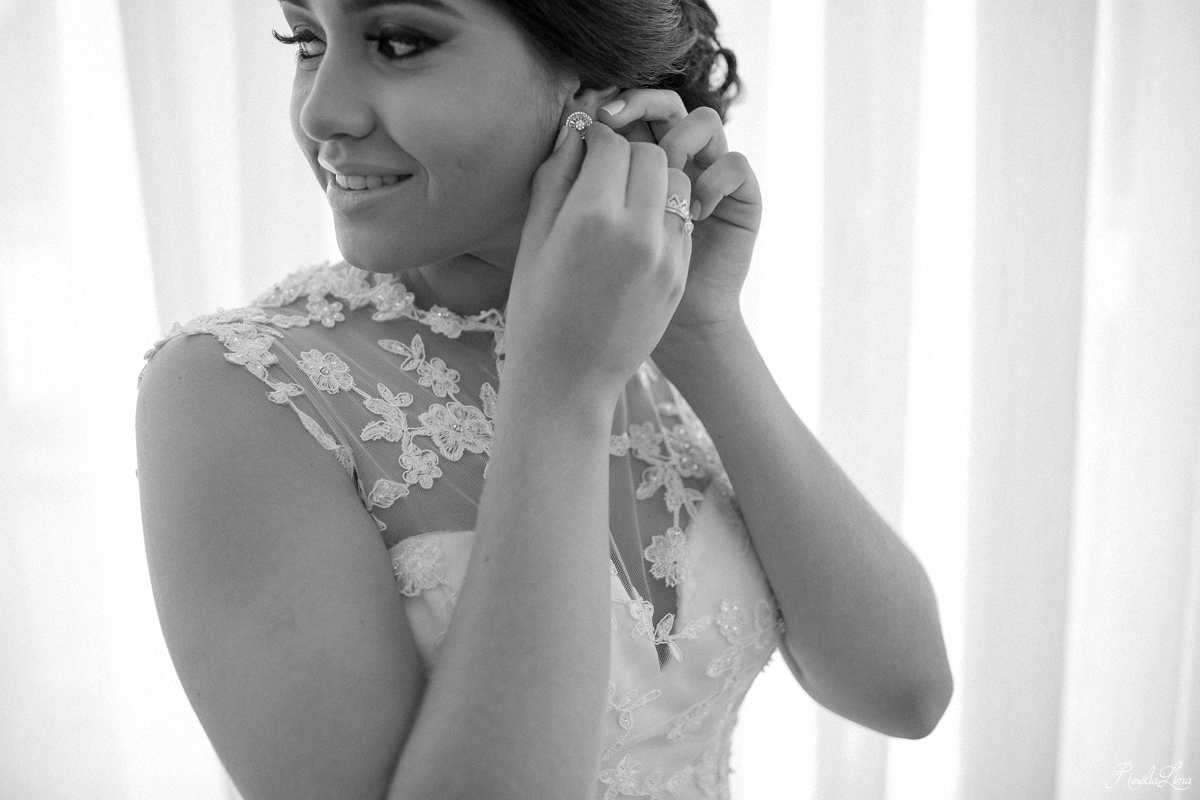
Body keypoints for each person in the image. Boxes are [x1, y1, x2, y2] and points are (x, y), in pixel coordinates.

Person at [134, 0, 954, 798]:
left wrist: (705, 330)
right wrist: (558, 391)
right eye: (306, 40)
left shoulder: (644, 324)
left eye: (398, 41)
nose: (321, 113)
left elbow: (905, 695)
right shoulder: (238, 388)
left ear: (596, 80)